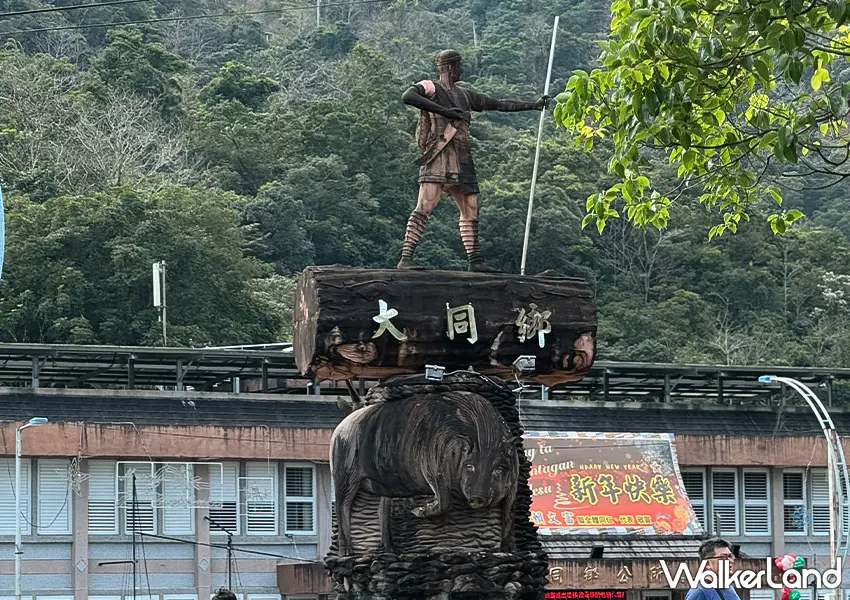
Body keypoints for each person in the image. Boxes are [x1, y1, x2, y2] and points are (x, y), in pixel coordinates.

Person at [397, 49, 548, 271]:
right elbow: (408, 96)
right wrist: (445, 111)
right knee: (425, 204)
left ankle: (475, 260)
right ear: (449, 67)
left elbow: (498, 104)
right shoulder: (430, 87)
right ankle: (406, 257)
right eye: (458, 65)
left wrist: (533, 105)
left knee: (470, 207)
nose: (461, 69)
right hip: (439, 153)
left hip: (463, 156)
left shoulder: (465, 95)